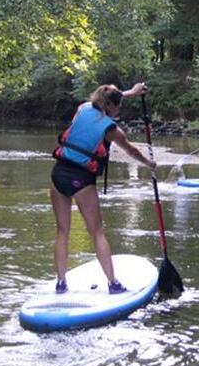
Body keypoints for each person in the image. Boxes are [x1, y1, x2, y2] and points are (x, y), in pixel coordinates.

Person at [50, 82, 155, 295]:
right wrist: (149, 163)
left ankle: (61, 283)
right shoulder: (111, 129)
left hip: (58, 174)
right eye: (119, 107)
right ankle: (113, 283)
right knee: (97, 232)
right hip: (80, 179)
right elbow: (131, 150)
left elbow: (102, 100)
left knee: (62, 231)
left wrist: (131, 93)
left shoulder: (83, 109)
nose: (119, 112)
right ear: (112, 107)